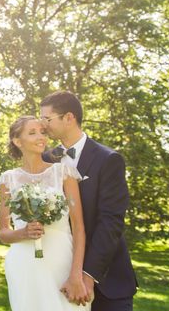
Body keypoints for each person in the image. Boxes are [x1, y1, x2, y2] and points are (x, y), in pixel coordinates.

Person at [40, 91, 138, 311]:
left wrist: (87, 275)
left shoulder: (108, 159)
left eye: (47, 119)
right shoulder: (46, 160)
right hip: (58, 275)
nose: (43, 125)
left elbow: (111, 222)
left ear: (69, 118)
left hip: (107, 278)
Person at [0, 115, 91, 311]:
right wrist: (22, 233)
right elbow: (3, 232)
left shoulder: (64, 173)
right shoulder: (8, 180)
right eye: (32, 133)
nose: (41, 137)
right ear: (17, 141)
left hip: (62, 261)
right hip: (24, 265)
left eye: (42, 132)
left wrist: (76, 273)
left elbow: (79, 228)